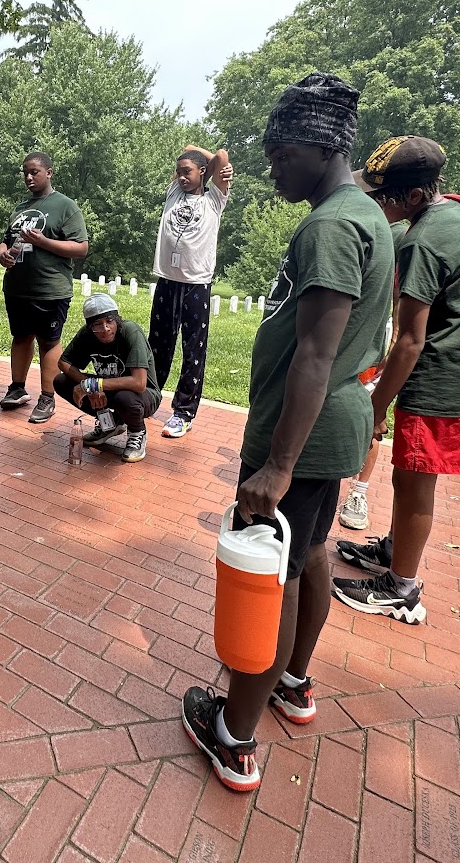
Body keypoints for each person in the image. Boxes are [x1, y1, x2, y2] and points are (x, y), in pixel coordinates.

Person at [181, 73, 392, 793]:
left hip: (300, 443)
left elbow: (317, 351)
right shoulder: (364, 215)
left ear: (311, 146)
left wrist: (275, 466)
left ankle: (234, 735)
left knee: (270, 578)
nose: (271, 169)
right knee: (306, 559)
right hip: (327, 433)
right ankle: (293, 681)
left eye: (277, 155)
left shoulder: (332, 225)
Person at [330, 137, 460, 626]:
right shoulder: (458, 214)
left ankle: (401, 586)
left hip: (443, 375)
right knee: (410, 476)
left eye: (381, 196)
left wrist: (377, 406)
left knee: (413, 478)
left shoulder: (422, 239)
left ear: (413, 197)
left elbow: (409, 339)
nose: (374, 205)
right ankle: (395, 549)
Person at [0, 152, 89, 423]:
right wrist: (3, 253)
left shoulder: (65, 206)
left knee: (48, 342)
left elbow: (81, 248)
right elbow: (5, 240)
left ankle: (47, 397)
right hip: (17, 288)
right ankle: (17, 388)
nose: (28, 177)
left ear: (49, 172)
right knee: (21, 337)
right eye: (25, 172)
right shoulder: (20, 208)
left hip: (50, 289)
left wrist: (44, 241)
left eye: (34, 171)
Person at [148, 144, 233, 438]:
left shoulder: (214, 199)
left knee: (192, 349)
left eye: (188, 172)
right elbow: (186, 149)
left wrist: (211, 166)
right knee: (157, 344)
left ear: (203, 173)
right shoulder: (174, 194)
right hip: (167, 281)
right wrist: (192, 165)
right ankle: (148, 396)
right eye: (179, 172)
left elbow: (221, 156)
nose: (182, 177)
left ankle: (183, 412)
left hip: (196, 284)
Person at [338, 218, 408, 531]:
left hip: (380, 348)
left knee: (372, 423)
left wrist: (393, 344)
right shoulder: (369, 230)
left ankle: (358, 492)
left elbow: (400, 298)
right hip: (351, 340)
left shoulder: (405, 236)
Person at [54, 293, 160, 462]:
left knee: (124, 398)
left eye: (109, 321)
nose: (105, 329)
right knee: (61, 381)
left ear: (117, 320)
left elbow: (139, 383)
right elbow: (64, 363)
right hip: (110, 389)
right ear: (90, 327)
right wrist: (87, 385)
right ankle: (109, 424)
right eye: (97, 325)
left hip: (142, 394)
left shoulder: (131, 331)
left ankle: (137, 432)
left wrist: (94, 385)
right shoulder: (87, 335)